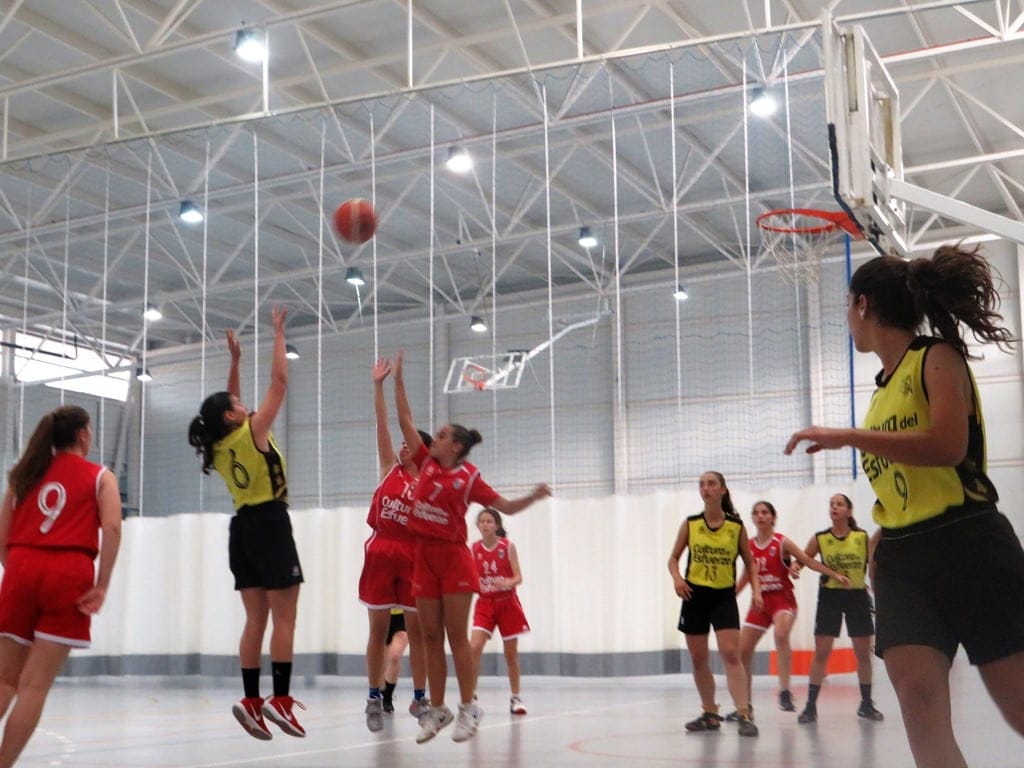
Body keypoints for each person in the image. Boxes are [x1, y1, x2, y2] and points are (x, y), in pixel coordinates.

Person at [785, 246, 1024, 767]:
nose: (847, 319)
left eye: (847, 306)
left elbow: (945, 446)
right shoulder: (880, 393)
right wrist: (881, 532)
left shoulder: (935, 357)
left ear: (863, 305)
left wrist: (849, 436)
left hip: (970, 547)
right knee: (918, 703)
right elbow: (903, 483)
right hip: (902, 564)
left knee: (1018, 709)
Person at [392, 350, 551, 744]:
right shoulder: (426, 461)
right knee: (428, 637)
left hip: (453, 559)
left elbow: (507, 507)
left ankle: (469, 707)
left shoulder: (469, 479)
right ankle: (439, 708)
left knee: (455, 636)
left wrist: (533, 496)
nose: (436, 436)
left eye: (443, 434)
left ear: (457, 446)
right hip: (422, 557)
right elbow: (405, 420)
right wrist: (396, 378)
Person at [187, 306, 306, 741]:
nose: (244, 401)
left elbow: (225, 404)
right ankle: (282, 700)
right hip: (272, 523)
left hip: (242, 531)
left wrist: (235, 363)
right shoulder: (254, 429)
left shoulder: (218, 448)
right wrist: (278, 332)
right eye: (238, 403)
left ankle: (252, 702)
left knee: (254, 621)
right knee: (285, 619)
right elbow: (280, 382)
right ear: (233, 417)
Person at [0, 405, 122, 768]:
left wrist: (17, 568)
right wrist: (102, 585)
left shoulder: (24, 476)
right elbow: (113, 528)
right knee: (34, 686)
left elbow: (2, 533)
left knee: (5, 680)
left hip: (21, 567)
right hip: (69, 572)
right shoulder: (100, 476)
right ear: (83, 434)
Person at [729, 500, 850, 720]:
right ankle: (744, 706)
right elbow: (747, 576)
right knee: (742, 651)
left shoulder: (781, 542)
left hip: (782, 601)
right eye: (756, 513)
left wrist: (834, 574)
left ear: (773, 517)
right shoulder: (748, 546)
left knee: (781, 633)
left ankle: (784, 691)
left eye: (765, 512)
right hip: (760, 604)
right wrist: (729, 597)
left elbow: (806, 559)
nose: (760, 516)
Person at [360, 358, 429, 732]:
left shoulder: (428, 480)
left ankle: (420, 698)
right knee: (377, 631)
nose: (403, 446)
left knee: (416, 633)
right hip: (382, 553)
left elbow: (405, 420)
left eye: (410, 444)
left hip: (413, 557)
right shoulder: (390, 467)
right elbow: (383, 424)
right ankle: (373, 695)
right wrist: (378, 386)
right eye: (401, 444)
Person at [668, 471, 763, 738]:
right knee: (698, 658)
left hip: (723, 596)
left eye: (711, 484)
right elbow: (673, 558)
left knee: (731, 654)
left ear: (722, 489)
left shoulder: (736, 526)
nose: (706, 488)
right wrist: (677, 579)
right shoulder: (691, 524)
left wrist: (757, 592)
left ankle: (744, 713)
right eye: (702, 484)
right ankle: (710, 713)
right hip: (694, 596)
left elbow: (750, 564)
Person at [791, 493, 881, 724]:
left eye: (839, 504)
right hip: (830, 597)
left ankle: (867, 704)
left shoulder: (862, 537)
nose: (834, 507)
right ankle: (810, 707)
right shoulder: (820, 538)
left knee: (863, 653)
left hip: (857, 597)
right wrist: (795, 567)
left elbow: (875, 566)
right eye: (831, 504)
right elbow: (802, 558)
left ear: (849, 511)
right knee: (822, 653)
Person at [469, 507, 531, 716]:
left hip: (507, 602)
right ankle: (471, 697)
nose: (486, 524)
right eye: (482, 521)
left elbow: (518, 577)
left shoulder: (507, 547)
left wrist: (507, 582)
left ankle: (516, 698)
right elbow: (470, 578)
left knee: (510, 654)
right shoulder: (474, 549)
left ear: (496, 525)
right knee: (474, 647)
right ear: (478, 526)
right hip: (485, 603)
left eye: (489, 521)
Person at [381, 609, 410, 715]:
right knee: (382, 661)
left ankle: (387, 697)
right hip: (383, 612)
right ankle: (382, 690)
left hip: (403, 614)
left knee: (395, 655)